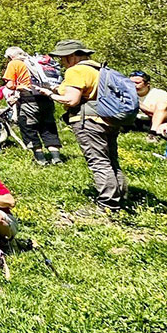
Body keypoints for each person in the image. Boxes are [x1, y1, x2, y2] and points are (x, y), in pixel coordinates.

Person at [41, 40, 127, 210]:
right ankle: (121, 196)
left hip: (88, 121)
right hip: (108, 119)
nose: (61, 62)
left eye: (63, 58)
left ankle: (108, 204)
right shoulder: (99, 69)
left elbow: (72, 100)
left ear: (72, 56)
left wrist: (51, 95)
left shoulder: (76, 70)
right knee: (111, 160)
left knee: (99, 161)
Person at [2, 47, 63, 165]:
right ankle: (56, 158)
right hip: (46, 97)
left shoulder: (15, 63)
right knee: (48, 125)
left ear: (11, 57)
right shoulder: (35, 61)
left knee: (29, 127)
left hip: (28, 99)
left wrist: (18, 88)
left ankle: (41, 160)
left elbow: (10, 85)